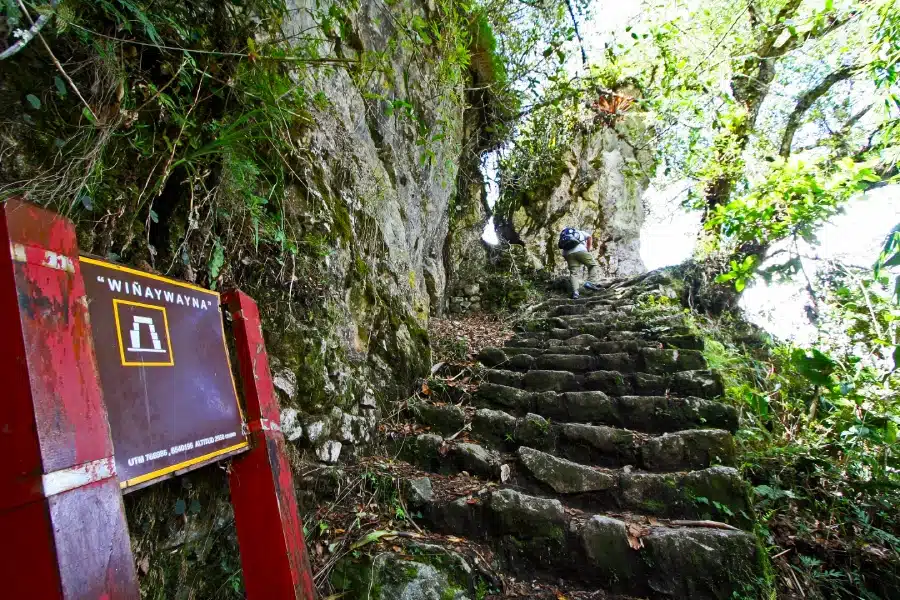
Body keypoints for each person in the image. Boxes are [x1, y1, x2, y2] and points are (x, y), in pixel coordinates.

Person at [558, 227, 600, 299]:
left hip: (567, 254)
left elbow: (563, 252)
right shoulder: (580, 232)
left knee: (574, 273)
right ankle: (591, 282)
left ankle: (575, 293)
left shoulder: (563, 238)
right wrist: (587, 249)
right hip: (580, 250)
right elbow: (589, 237)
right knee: (592, 265)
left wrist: (569, 258)